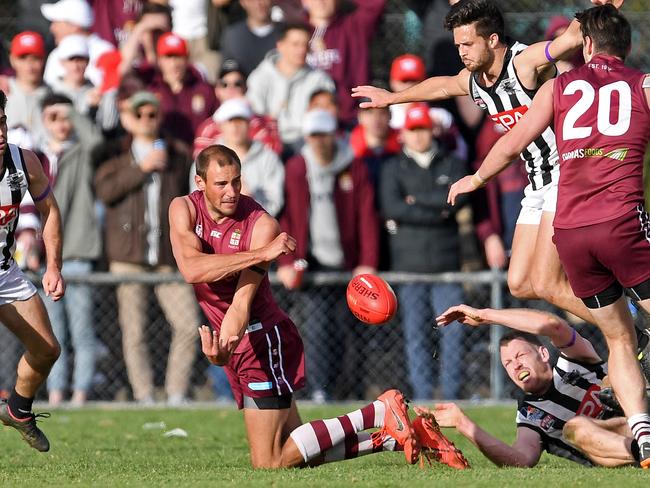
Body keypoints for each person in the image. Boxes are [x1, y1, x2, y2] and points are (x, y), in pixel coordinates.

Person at [447, 5, 650, 466]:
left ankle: (642, 430)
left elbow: (512, 142)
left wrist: (475, 180)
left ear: (589, 46)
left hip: (572, 228)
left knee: (617, 339)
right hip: (620, 219)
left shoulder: (558, 86)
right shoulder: (641, 83)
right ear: (626, 48)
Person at [352, 0, 623, 326]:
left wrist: (603, 7)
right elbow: (442, 85)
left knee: (548, 281)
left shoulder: (524, 62)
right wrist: (391, 97)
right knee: (521, 284)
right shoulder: (475, 79)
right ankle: (625, 324)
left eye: (467, 44)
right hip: (538, 183)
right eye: (457, 45)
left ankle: (627, 327)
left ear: (493, 39)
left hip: (567, 176)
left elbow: (568, 41)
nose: (461, 52)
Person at [169, 143, 428, 468]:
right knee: (295, 450)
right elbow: (192, 268)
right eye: (221, 183)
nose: (232, 191)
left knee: (269, 461)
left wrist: (225, 348)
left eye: (236, 180)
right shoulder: (184, 209)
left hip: (261, 339)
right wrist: (260, 255)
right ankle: (388, 437)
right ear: (199, 183)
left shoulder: (263, 226)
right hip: (236, 341)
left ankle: (376, 412)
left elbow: (240, 304)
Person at [430, 304, 644, 468]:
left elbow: (553, 325)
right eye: (508, 363)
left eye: (520, 355)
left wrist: (486, 315)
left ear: (542, 354)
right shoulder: (531, 415)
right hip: (622, 447)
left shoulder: (573, 361)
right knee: (574, 428)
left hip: (640, 418)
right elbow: (520, 459)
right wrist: (464, 424)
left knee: (613, 376)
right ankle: (644, 451)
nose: (516, 365)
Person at [94, 90, 198, 405]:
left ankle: (176, 392)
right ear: (129, 119)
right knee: (134, 331)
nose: (146, 120)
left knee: (189, 326)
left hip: (168, 255)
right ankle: (144, 395)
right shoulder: (115, 157)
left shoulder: (178, 156)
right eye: (139, 115)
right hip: (128, 257)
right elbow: (105, 191)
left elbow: (190, 199)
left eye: (152, 114)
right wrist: (142, 168)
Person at [277, 109, 379, 401]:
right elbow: (287, 217)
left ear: (334, 135)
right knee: (318, 330)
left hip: (348, 263)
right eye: (313, 135)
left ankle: (352, 391)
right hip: (311, 263)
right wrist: (287, 260)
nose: (319, 141)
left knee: (352, 333)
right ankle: (320, 390)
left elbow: (366, 216)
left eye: (324, 134)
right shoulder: (297, 168)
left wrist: (367, 262)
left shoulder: (353, 166)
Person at [379, 103, 468, 400]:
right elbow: (392, 207)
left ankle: (453, 394)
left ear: (433, 130)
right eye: (412, 130)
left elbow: (459, 200)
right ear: (403, 133)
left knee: (453, 334)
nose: (418, 136)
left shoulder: (452, 163)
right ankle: (423, 397)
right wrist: (438, 209)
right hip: (409, 265)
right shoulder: (392, 168)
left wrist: (414, 202)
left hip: (446, 264)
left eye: (423, 129)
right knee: (416, 336)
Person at [0, 89, 65, 452]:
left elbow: (50, 212)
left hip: (5, 273)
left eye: (1, 122)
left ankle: (18, 411)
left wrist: (53, 265)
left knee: (46, 349)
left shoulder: (24, 163)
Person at [35, 94, 103, 406]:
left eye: (65, 118)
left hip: (76, 255)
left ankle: (80, 393)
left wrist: (72, 112)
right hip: (43, 256)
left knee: (82, 331)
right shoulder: (34, 157)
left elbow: (94, 140)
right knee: (52, 333)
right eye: (54, 117)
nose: (61, 124)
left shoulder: (81, 152)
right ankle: (56, 392)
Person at [246, 23, 335, 154]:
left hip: (306, 142)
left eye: (305, 45)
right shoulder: (259, 77)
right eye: (295, 44)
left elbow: (326, 116)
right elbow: (254, 115)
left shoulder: (320, 80)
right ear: (280, 46)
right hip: (267, 141)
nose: (301, 50)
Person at [41, 0, 114, 88]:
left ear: (74, 26)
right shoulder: (56, 54)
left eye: (56, 23)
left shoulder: (106, 52)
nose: (52, 28)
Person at [221, 0, 282, 76]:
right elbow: (228, 73)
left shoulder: (286, 34)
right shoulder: (233, 36)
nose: (259, 3)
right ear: (243, 2)